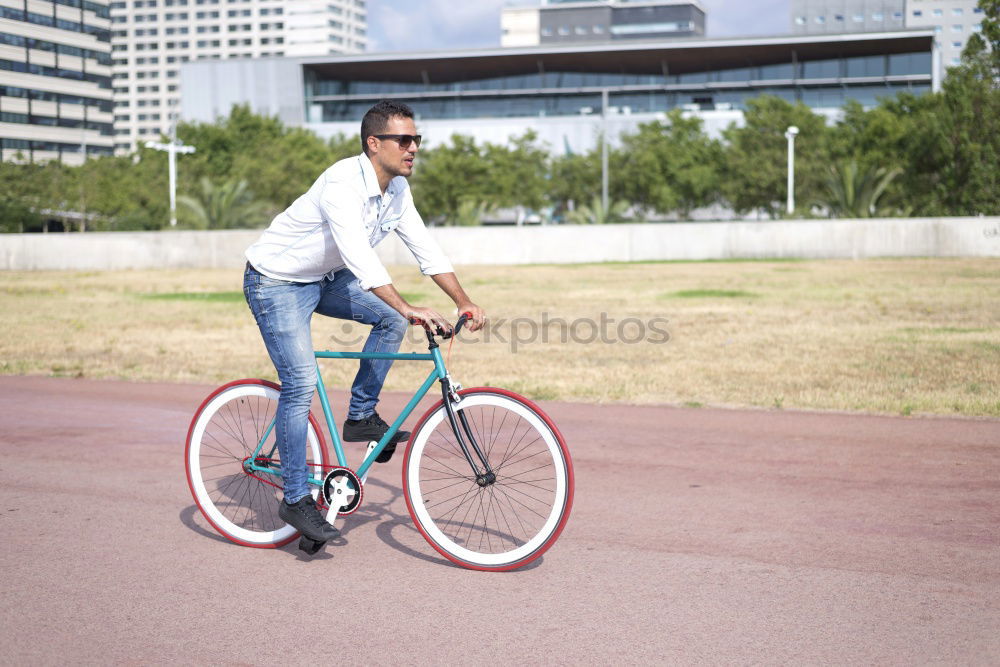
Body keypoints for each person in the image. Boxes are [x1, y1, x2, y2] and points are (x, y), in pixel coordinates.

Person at [243, 100, 486, 544]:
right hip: (275, 282)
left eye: (417, 140)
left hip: (323, 279)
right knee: (299, 383)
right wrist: (410, 306)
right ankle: (295, 498)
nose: (413, 148)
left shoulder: (397, 191)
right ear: (374, 144)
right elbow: (360, 257)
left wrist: (463, 301)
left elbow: (425, 249)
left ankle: (359, 415)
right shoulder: (342, 183)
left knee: (389, 321)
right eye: (404, 140)